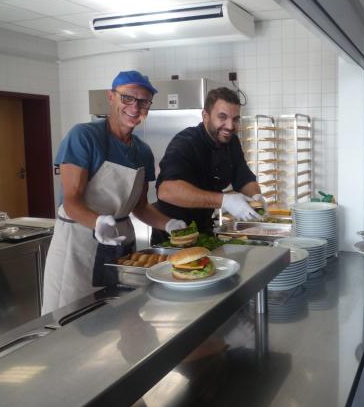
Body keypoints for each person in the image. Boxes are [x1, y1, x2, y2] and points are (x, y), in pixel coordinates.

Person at [42, 70, 187, 314]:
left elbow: (140, 207)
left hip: (120, 244)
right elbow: (71, 201)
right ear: (111, 97)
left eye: (143, 102)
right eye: (127, 98)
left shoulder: (143, 151)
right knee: (71, 320)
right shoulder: (84, 136)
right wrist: (97, 222)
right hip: (79, 245)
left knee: (117, 315)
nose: (135, 107)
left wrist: (169, 224)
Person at [151, 87, 263, 244]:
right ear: (205, 116)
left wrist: (257, 198)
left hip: (204, 229)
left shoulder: (231, 141)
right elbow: (166, 191)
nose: (230, 126)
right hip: (174, 232)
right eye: (222, 117)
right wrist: (224, 201)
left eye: (235, 119)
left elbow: (243, 176)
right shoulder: (186, 142)